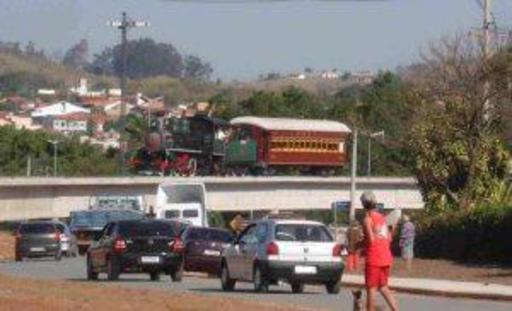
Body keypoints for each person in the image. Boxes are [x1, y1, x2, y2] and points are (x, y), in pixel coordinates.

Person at [361, 191, 399, 311]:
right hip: (386, 257)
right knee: (383, 287)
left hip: (374, 258)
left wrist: (357, 245)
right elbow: (389, 238)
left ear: (363, 204)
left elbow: (371, 240)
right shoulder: (382, 218)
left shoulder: (367, 219)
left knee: (371, 289)